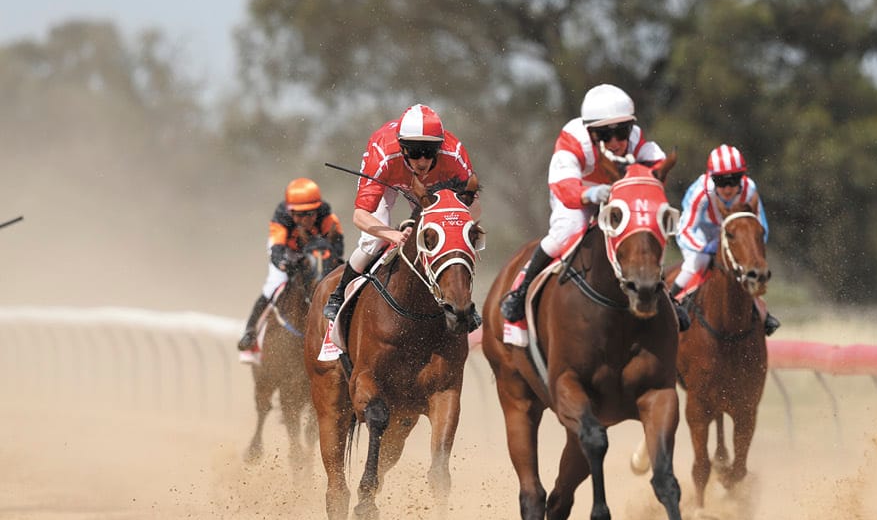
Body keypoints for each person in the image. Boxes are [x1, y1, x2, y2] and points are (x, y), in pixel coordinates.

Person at [498, 83, 684, 328]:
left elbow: (656, 176)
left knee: (643, 231)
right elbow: (564, 187)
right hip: (578, 195)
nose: (616, 142)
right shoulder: (573, 141)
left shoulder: (638, 142)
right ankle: (520, 291)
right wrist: (591, 193)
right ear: (590, 133)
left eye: (622, 132)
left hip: (618, 195)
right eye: (605, 134)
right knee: (565, 232)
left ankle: (666, 295)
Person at [321, 103, 480, 321]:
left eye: (429, 153)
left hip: (431, 187)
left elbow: (473, 206)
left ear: (439, 148)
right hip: (390, 179)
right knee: (373, 242)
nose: (422, 161)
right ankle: (339, 294)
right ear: (402, 147)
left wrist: (455, 225)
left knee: (449, 237)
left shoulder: (454, 155)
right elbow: (360, 216)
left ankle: (462, 300)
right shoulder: (383, 153)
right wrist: (393, 235)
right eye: (414, 152)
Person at [672, 144, 779, 336]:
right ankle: (671, 301)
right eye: (721, 182)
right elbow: (684, 231)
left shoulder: (750, 190)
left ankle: (761, 311)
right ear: (712, 178)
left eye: (734, 180)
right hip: (702, 237)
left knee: (745, 267)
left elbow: (761, 226)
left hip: (735, 237)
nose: (728, 188)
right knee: (698, 262)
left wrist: (752, 250)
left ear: (742, 177)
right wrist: (706, 248)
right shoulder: (700, 193)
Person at [238, 178, 345, 352]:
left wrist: (325, 255)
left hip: (315, 254)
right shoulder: (281, 218)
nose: (305, 219)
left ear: (318, 209)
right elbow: (277, 250)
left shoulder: (328, 217)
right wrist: (286, 263)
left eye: (310, 213)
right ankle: (250, 331)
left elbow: (338, 248)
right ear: (290, 212)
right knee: (274, 285)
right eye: (299, 214)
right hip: (288, 253)